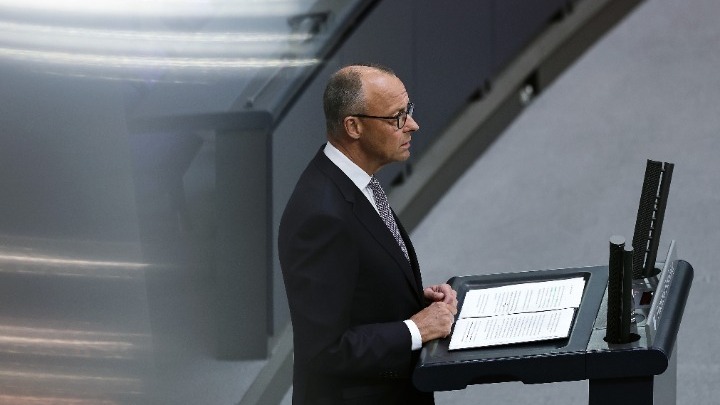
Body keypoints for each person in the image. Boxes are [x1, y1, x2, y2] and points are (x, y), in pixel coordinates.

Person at [278, 63, 458, 405]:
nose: (413, 125)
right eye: (397, 118)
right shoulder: (320, 216)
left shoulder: (356, 183)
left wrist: (413, 302)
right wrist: (416, 329)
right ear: (354, 126)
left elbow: (354, 286)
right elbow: (324, 351)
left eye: (409, 110)